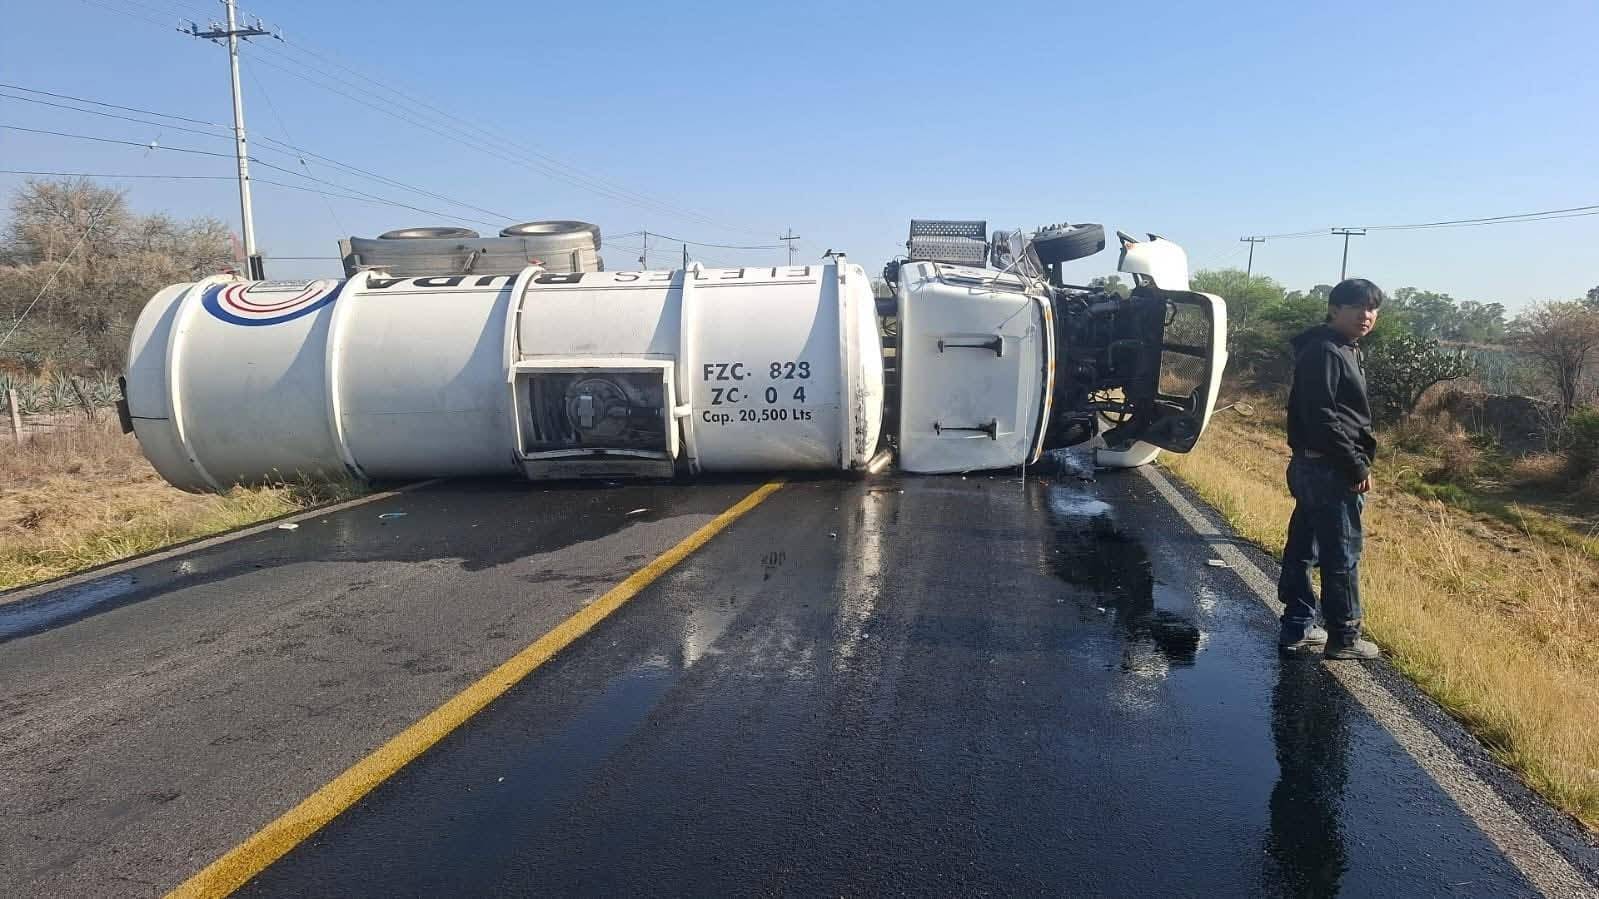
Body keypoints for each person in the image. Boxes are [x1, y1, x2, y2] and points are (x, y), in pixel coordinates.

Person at [1278, 278, 1383, 660]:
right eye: (1357, 307)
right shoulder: (1326, 351)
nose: (1366, 315)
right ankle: (1345, 636)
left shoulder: (1340, 348)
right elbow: (1324, 418)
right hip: (1328, 468)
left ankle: (1299, 624)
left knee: (1304, 546)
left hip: (1313, 464)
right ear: (1334, 310)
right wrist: (1356, 466)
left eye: (1372, 308)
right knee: (1342, 553)